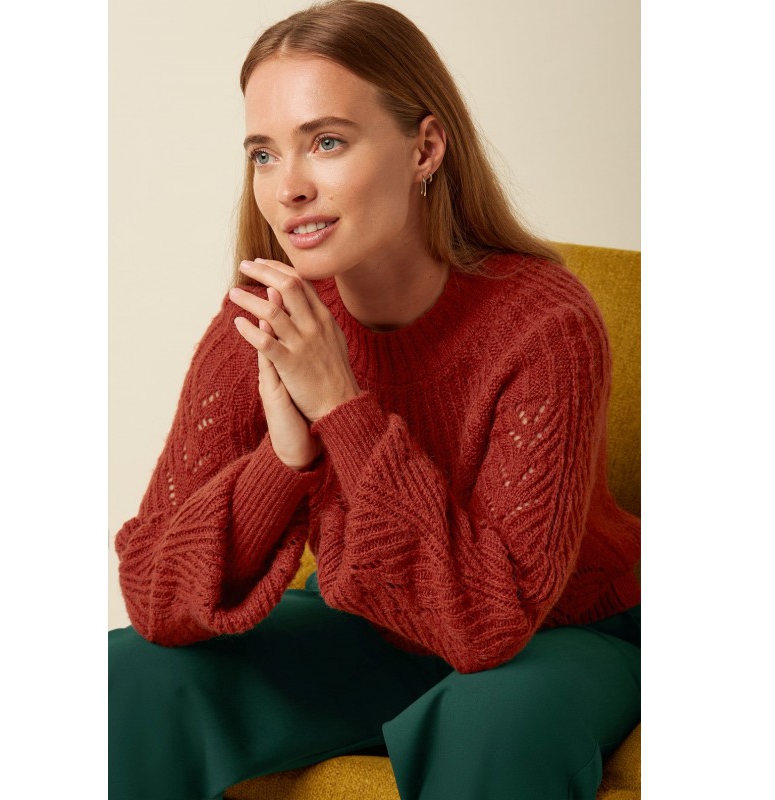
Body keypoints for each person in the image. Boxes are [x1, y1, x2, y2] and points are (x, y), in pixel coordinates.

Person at [109, 1, 641, 798]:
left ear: (425, 148)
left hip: (559, 632)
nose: (288, 188)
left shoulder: (546, 324)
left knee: (492, 717)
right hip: (366, 628)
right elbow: (155, 596)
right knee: (125, 676)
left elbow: (487, 623)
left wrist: (342, 409)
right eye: (263, 154)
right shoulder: (264, 319)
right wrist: (285, 461)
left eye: (326, 142)